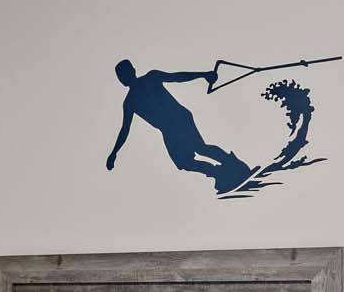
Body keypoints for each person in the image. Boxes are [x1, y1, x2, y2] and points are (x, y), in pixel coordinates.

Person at [106, 60, 255, 194]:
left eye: (123, 74)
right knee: (184, 162)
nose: (122, 79)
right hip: (168, 130)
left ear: (132, 70)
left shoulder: (151, 78)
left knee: (200, 148)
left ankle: (234, 166)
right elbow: (125, 129)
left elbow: (177, 77)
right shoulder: (130, 102)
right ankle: (221, 173)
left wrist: (204, 74)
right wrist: (114, 153)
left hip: (179, 119)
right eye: (120, 77)